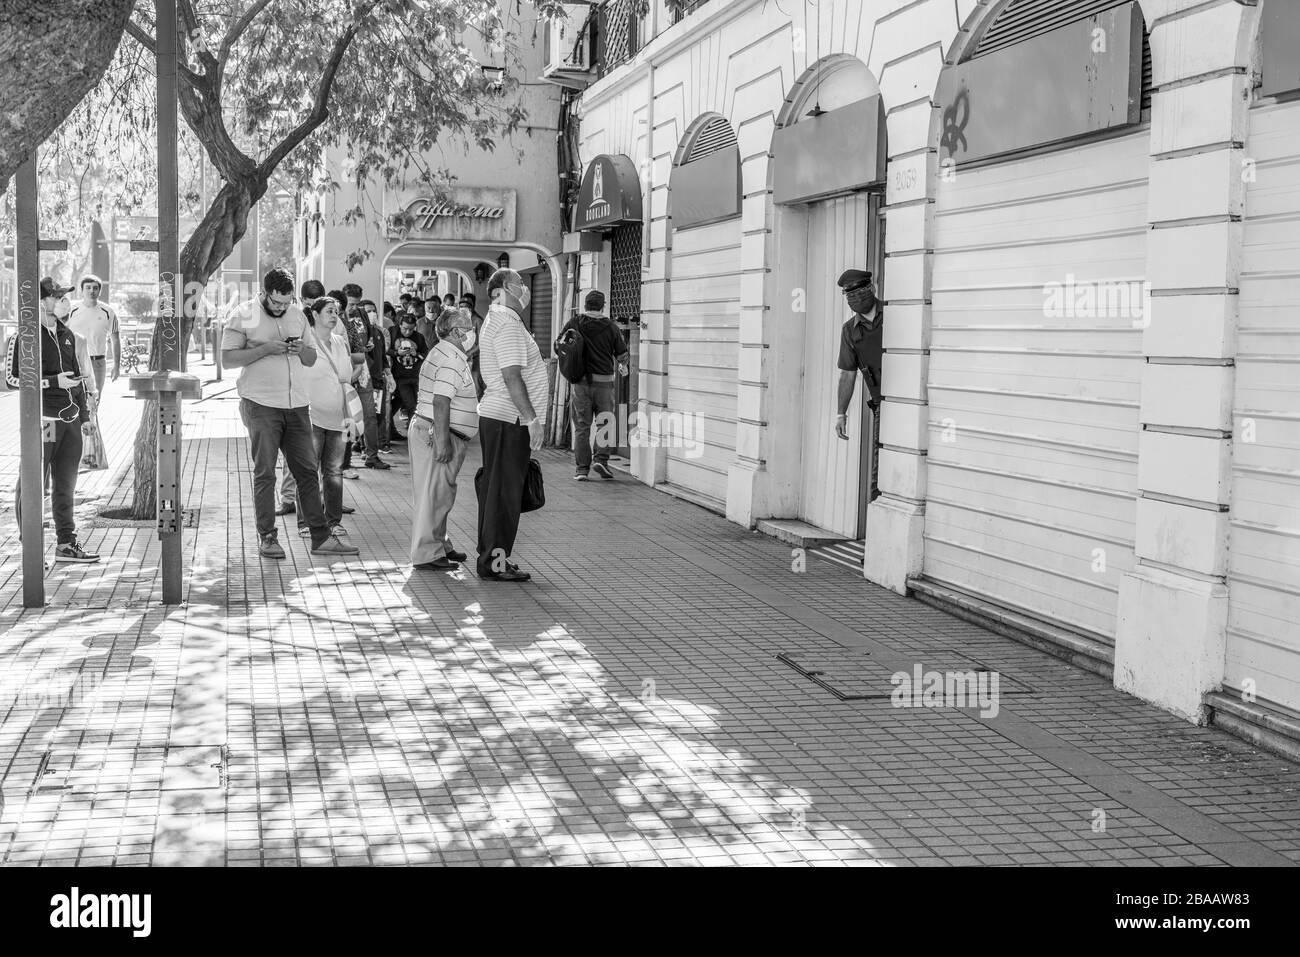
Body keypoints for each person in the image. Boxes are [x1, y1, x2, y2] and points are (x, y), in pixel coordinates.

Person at [221, 267, 358, 558]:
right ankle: (268, 537)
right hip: (260, 404)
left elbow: (310, 358)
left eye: (286, 302)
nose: (282, 308)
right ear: (264, 293)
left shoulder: (298, 315)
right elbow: (228, 359)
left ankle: (321, 537)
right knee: (265, 473)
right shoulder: (243, 314)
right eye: (276, 303)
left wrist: (299, 350)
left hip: (296, 406)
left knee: (307, 472)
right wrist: (267, 348)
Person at [6, 277, 100, 562]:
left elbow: (80, 380)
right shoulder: (25, 337)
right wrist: (52, 382)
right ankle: (31, 547)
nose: (64, 301)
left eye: (64, 297)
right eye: (57, 297)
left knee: (66, 486)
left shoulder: (69, 335)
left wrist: (86, 417)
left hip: (70, 423)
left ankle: (66, 544)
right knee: (32, 485)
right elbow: (12, 379)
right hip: (41, 422)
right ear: (42, 301)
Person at [475, 268, 547, 582]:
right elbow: (511, 376)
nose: (525, 289)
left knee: (499, 493)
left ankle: (494, 559)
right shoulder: (507, 324)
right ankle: (495, 562)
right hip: (508, 419)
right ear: (506, 287)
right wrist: (531, 419)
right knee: (503, 496)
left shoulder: (501, 320)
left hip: (501, 419)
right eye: (520, 284)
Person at [409, 308, 478, 570]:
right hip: (437, 432)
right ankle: (428, 553)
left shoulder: (445, 353)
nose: (472, 332)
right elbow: (441, 401)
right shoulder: (450, 358)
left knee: (438, 493)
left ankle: (440, 544)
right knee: (434, 495)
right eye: (468, 328)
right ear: (457, 332)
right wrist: (442, 440)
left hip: (435, 430)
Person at [297, 296, 361, 538]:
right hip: (311, 416)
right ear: (314, 314)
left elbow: (347, 374)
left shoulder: (340, 342)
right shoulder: (305, 342)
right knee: (308, 471)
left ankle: (333, 521)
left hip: (337, 417)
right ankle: (307, 522)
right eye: (329, 311)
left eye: (337, 311)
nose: (335, 316)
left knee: (334, 472)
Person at [558, 288, 629, 481]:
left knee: (582, 426)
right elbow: (621, 355)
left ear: (585, 305)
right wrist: (623, 366)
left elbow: (560, 345)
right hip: (604, 382)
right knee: (605, 422)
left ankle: (582, 470)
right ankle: (601, 460)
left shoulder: (575, 322)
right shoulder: (611, 327)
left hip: (580, 383)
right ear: (603, 306)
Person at [276, 278, 326, 516]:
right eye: (310, 303)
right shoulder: (294, 318)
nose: (312, 308)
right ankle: (288, 498)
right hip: (298, 393)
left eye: (318, 303)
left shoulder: (331, 320)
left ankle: (321, 499)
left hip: (324, 395)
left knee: (320, 453)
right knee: (295, 451)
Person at [834, 268, 884, 503]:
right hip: (881, 406)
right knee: (880, 471)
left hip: (910, 402)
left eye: (860, 293)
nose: (855, 299)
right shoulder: (849, 330)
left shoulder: (894, 312)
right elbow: (847, 375)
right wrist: (840, 414)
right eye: (849, 296)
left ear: (871, 289)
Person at [66, 273, 121, 395]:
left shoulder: (108, 312)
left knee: (94, 400)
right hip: (74, 361)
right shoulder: (71, 310)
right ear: (82, 290)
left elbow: (115, 340)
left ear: (99, 291)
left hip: (97, 362)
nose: (92, 291)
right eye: (88, 287)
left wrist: (117, 366)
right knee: (74, 400)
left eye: (95, 288)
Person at [388, 311, 428, 439]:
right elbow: (385, 349)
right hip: (400, 377)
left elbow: (426, 354)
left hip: (416, 376)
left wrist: (417, 354)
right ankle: (411, 435)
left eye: (411, 329)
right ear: (399, 325)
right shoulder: (392, 333)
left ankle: (412, 434)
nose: (407, 332)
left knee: (413, 404)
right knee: (410, 405)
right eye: (405, 328)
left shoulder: (419, 337)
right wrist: (396, 353)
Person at [459, 293, 486, 398]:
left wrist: (470, 352)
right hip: (462, 359)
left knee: (476, 387)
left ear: (471, 308)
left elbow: (482, 343)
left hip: (476, 359)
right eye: (461, 307)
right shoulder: (458, 320)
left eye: (466, 307)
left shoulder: (478, 321)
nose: (463, 310)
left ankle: (479, 411)